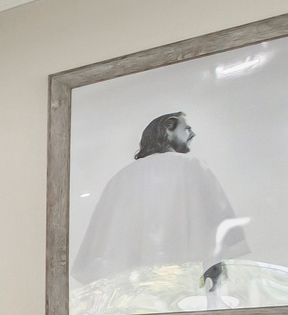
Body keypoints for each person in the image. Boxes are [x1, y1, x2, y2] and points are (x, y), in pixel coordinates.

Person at [72, 112, 250, 285]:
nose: (192, 134)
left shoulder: (119, 179)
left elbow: (100, 246)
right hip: (180, 284)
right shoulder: (191, 165)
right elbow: (216, 224)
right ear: (168, 128)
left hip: (130, 289)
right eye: (186, 129)